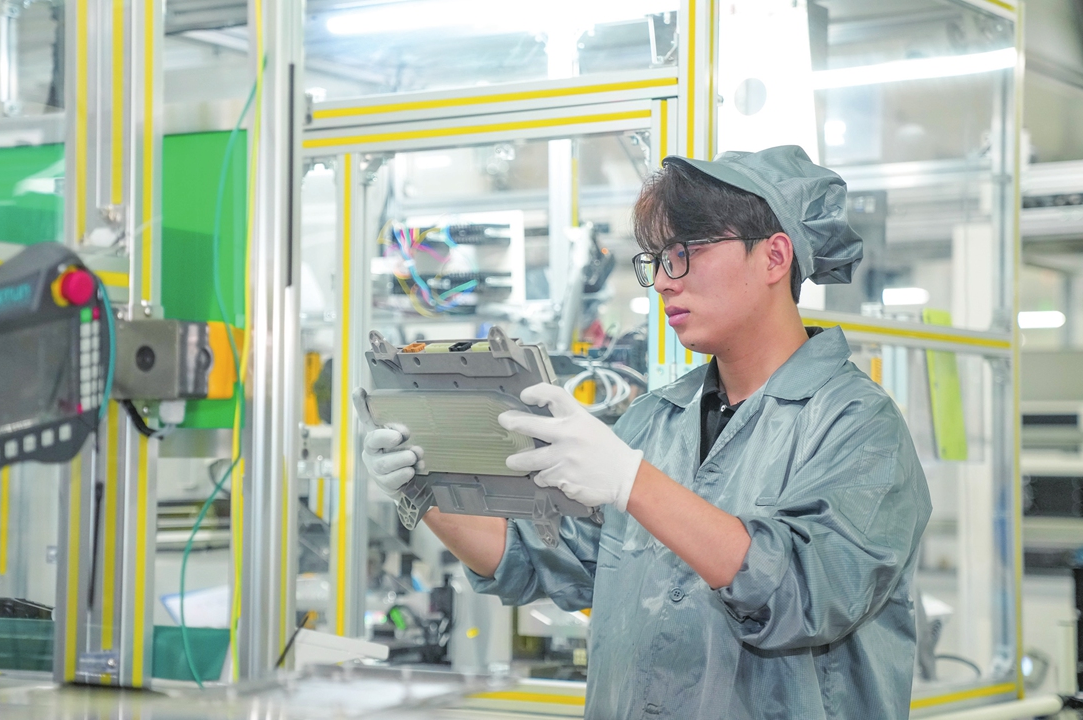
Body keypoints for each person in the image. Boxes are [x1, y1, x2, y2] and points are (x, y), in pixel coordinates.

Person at [361, 145, 931, 719]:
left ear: (774, 256)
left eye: (683, 254)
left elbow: (800, 593)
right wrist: (425, 487)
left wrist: (633, 482)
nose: (661, 281)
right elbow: (538, 560)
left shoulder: (858, 426)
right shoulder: (654, 420)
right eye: (655, 260)